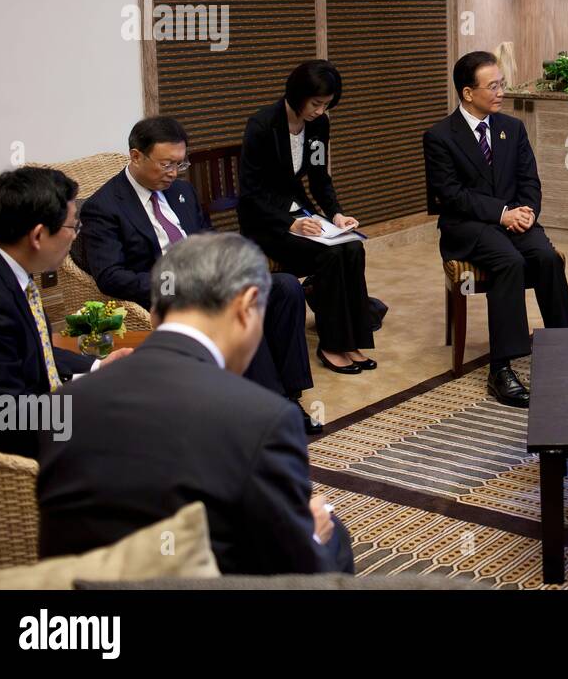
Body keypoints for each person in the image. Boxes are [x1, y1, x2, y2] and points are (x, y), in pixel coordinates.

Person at [37, 233, 354, 575]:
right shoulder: (265, 418)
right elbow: (292, 571)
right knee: (333, 534)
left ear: (156, 313)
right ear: (246, 307)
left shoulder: (67, 404)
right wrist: (313, 536)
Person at [81, 116, 318, 433]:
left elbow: (209, 238)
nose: (173, 173)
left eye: (180, 164)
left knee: (285, 287)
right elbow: (110, 276)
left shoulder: (182, 192)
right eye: (166, 164)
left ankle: (290, 392)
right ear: (136, 156)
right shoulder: (105, 206)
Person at [423, 51, 568, 407]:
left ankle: (564, 349)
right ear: (468, 93)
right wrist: (502, 213)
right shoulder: (440, 137)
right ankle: (500, 368)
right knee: (510, 263)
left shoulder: (512, 128)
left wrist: (526, 212)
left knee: (548, 258)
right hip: (467, 228)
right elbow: (451, 196)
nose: (501, 92)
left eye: (502, 84)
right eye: (493, 86)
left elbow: (530, 181)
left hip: (515, 221)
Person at [0, 168, 129, 456]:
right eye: (73, 228)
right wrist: (89, 407)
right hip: (14, 457)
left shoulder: (2, 264)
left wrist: (95, 368)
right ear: (38, 236)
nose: (75, 237)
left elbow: (30, 348)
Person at [239, 59, 376, 374]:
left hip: (298, 211)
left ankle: (351, 339)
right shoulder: (261, 125)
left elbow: (318, 178)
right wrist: (290, 223)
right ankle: (331, 345)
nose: (320, 111)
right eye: (316, 103)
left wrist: (336, 214)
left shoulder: (318, 125)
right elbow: (251, 193)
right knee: (329, 255)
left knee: (352, 246)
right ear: (297, 95)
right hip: (266, 221)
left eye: (327, 105)